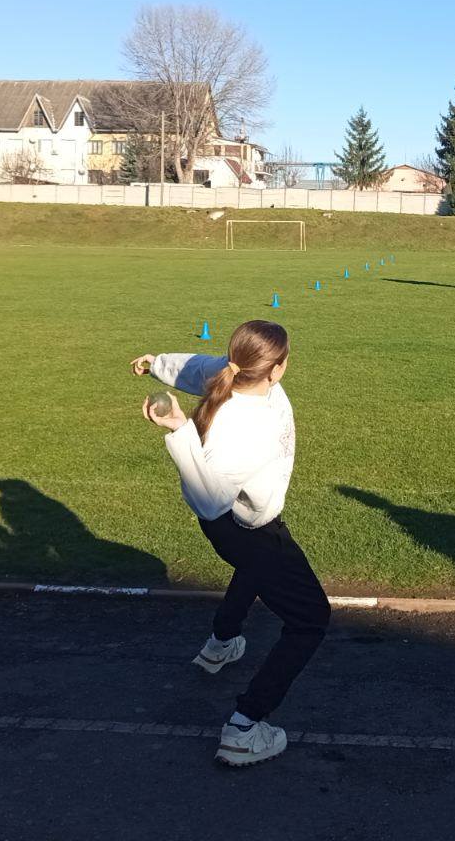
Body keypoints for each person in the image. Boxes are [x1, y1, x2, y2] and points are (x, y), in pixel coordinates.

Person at [132, 320, 329, 768]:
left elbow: (197, 366)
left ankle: (222, 642)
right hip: (244, 527)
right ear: (277, 369)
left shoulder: (235, 375)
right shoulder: (245, 426)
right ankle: (244, 726)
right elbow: (210, 499)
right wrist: (181, 430)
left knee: (254, 569)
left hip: (243, 526)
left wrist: (157, 363)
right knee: (310, 619)